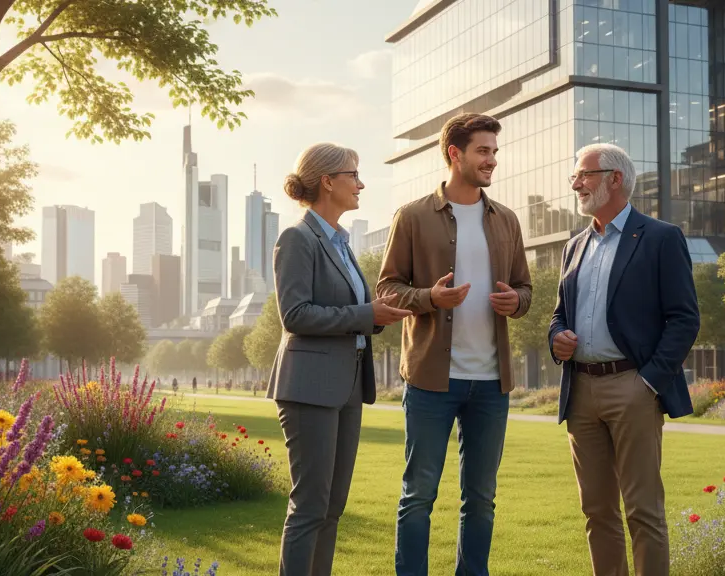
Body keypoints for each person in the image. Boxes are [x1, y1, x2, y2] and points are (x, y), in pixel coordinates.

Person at [377, 113, 532, 576]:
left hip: (491, 383)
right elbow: (386, 289)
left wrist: (515, 302)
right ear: (454, 154)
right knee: (419, 494)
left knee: (481, 499)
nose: (492, 160)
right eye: (483, 151)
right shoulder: (412, 216)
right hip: (429, 381)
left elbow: (526, 289)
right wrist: (430, 298)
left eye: (495, 152)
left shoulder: (506, 219)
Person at [548, 143, 700, 576]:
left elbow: (684, 319)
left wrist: (649, 381)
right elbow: (559, 314)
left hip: (634, 387)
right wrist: (557, 337)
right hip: (581, 391)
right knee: (597, 511)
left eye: (584, 175)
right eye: (575, 176)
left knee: (643, 511)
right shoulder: (573, 245)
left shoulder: (660, 238)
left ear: (615, 178)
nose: (576, 183)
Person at [269, 142, 411, 576]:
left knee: (332, 507)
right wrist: (365, 314)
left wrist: (377, 314)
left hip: (347, 385)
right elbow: (295, 315)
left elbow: (351, 311)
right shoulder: (296, 238)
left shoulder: (343, 244)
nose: (361, 183)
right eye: (354, 175)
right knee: (310, 506)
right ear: (327, 181)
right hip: (310, 386)